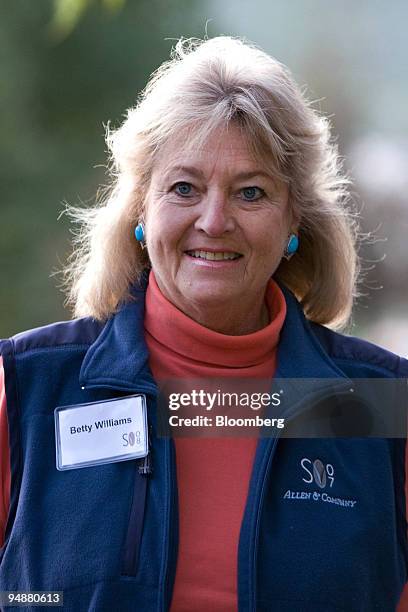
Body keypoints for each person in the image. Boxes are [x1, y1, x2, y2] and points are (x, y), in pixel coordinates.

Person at [0, 35, 407, 611]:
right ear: (141, 209)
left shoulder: (385, 403)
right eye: (184, 188)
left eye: (251, 192)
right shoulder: (22, 390)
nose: (214, 221)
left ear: (295, 219)